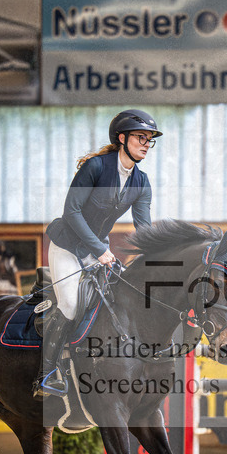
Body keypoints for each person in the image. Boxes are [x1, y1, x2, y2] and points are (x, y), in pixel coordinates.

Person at [33, 109, 160, 397]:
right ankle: (47, 373)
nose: (146, 144)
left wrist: (156, 262)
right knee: (70, 303)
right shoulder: (96, 167)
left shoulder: (141, 183)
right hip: (67, 245)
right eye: (141, 137)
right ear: (122, 138)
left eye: (150, 140)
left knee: (115, 298)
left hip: (97, 249)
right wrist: (101, 250)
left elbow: (144, 232)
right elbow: (72, 212)